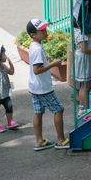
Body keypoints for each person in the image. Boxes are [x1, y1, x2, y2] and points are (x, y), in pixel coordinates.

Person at [26, 19, 68, 150]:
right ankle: (61, 140)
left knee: (38, 112)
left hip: (35, 87)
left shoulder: (33, 46)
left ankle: (39, 141)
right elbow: (37, 70)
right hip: (43, 88)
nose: (45, 32)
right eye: (42, 30)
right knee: (58, 109)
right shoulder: (37, 49)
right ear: (33, 34)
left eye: (45, 29)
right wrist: (53, 64)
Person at [0, 45, 18, 132]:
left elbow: (12, 72)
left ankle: (10, 122)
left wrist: (11, 64)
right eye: (3, 54)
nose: (5, 56)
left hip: (5, 92)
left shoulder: (4, 66)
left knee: (9, 106)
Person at [72, 26, 91, 117]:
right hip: (84, 60)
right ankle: (85, 110)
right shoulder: (82, 31)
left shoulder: (80, 29)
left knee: (84, 86)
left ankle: (83, 110)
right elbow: (84, 49)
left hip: (83, 60)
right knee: (86, 86)